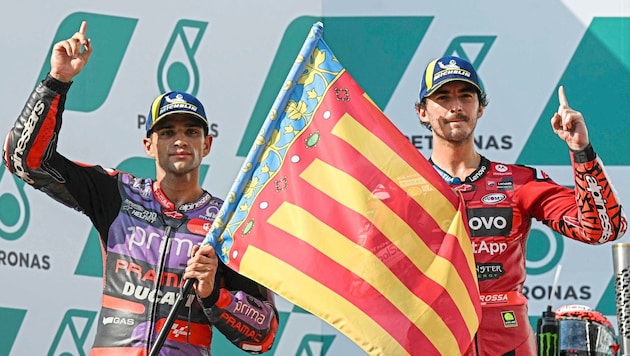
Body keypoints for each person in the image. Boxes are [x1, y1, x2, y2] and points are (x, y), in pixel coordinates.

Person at [2, 21, 278, 355]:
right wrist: (57, 81)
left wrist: (213, 294)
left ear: (207, 144)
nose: (180, 140)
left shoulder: (228, 224)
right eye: (167, 132)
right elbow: (26, 162)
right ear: (148, 144)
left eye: (191, 132)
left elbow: (262, 335)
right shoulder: (116, 192)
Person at [414, 55, 627, 355]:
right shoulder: (403, 187)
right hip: (433, 338)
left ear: (480, 107)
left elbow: (603, 230)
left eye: (466, 95)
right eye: (443, 97)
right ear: (422, 111)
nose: (456, 106)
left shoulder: (518, 182)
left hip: (508, 341)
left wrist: (581, 151)